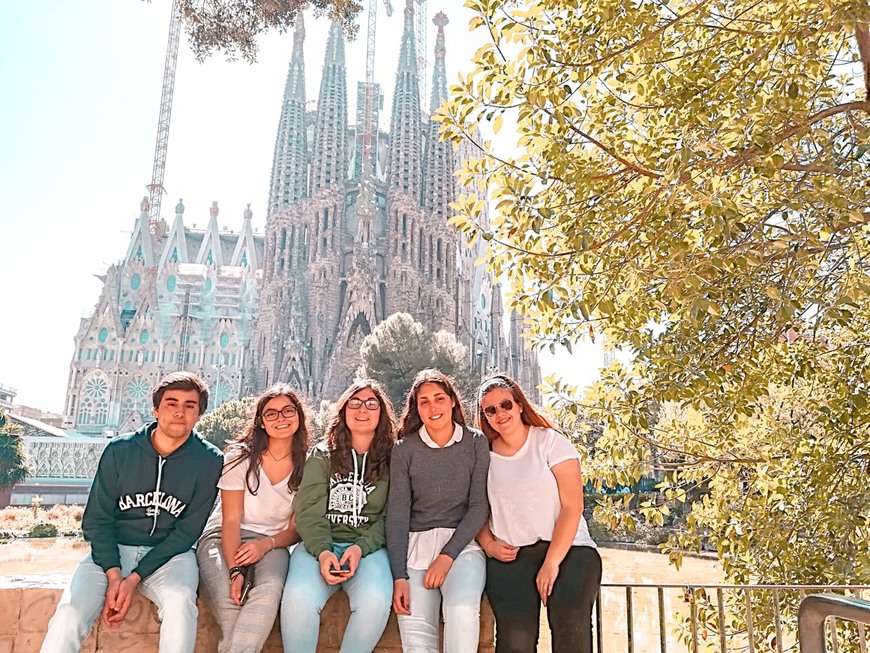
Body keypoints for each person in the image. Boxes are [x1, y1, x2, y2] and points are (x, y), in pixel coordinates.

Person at [40, 372, 224, 653]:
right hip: (112, 551)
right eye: (171, 403)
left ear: (199, 414)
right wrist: (115, 576)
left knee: (180, 601)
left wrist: (134, 578)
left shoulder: (209, 460)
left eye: (190, 405)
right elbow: (97, 520)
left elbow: (188, 530)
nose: (179, 412)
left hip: (170, 556)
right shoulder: (120, 450)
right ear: (156, 410)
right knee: (69, 611)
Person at [475, 374, 601, 653]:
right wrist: (489, 545)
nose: (500, 414)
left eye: (505, 404)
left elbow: (573, 506)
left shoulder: (550, 442)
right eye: (491, 410)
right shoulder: (481, 455)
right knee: (514, 640)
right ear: (485, 417)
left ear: (519, 405)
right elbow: (475, 509)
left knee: (570, 625)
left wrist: (551, 562)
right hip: (512, 555)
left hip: (570, 550)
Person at [280, 380, 396, 653]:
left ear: (381, 413)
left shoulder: (394, 458)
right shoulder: (323, 455)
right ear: (343, 410)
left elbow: (391, 515)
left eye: (371, 403)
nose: (362, 409)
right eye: (354, 403)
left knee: (376, 601)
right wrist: (322, 551)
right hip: (318, 548)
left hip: (368, 550)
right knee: (298, 599)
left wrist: (360, 548)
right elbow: (308, 510)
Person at [196, 384, 309, 652]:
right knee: (231, 606)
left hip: (273, 542)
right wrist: (235, 570)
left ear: (299, 416)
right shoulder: (240, 459)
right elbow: (231, 520)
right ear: (260, 422)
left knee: (269, 591)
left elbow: (294, 531)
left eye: (288, 411)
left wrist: (264, 545)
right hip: (221, 537)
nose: (281, 418)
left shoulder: (309, 465)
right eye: (271, 414)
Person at [387, 368, 490, 653]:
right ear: (416, 408)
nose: (433, 407)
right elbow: (397, 515)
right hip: (415, 551)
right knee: (416, 638)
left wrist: (447, 556)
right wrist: (399, 577)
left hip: (463, 548)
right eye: (424, 401)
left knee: (461, 610)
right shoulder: (404, 449)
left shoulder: (475, 442)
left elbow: (479, 506)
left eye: (439, 398)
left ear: (453, 402)